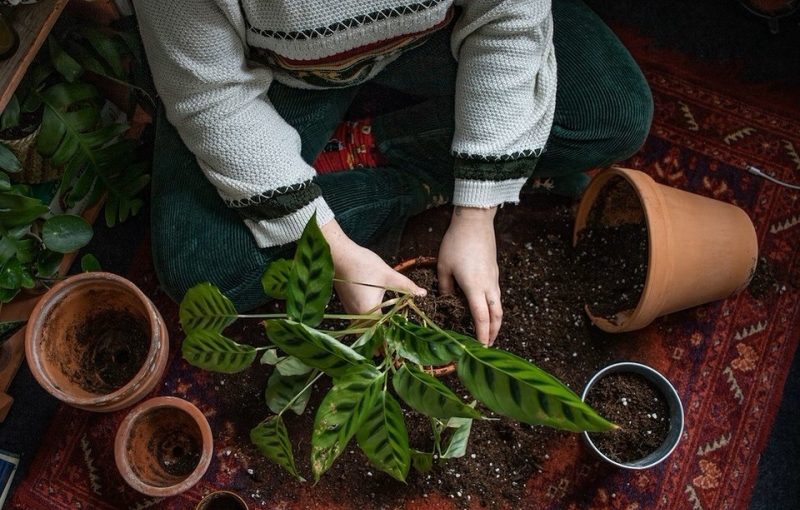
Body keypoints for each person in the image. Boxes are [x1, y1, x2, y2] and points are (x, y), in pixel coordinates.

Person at [132, 0, 652, 346]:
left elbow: (508, 18)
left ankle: (370, 149)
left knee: (613, 115)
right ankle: (412, 163)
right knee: (201, 268)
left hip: (431, 38)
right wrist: (334, 250)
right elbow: (209, 95)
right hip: (277, 72)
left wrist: (477, 212)